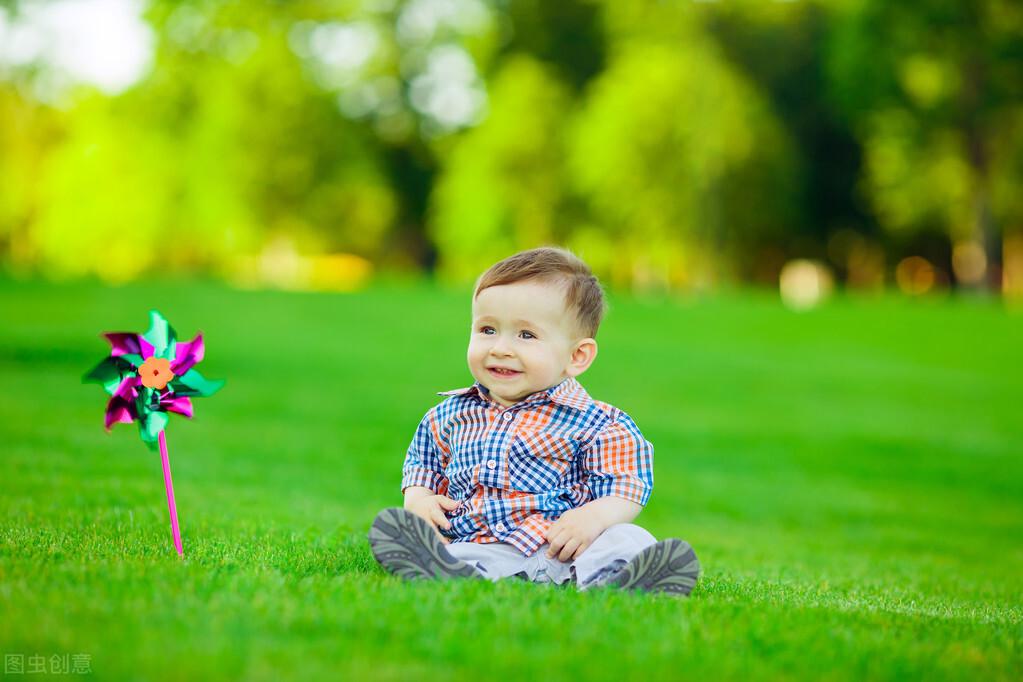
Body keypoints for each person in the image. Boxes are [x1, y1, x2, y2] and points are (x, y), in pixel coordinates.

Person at [368, 246, 700, 595]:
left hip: (570, 548)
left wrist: (593, 518)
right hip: (485, 544)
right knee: (456, 551)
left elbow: (627, 486)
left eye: (526, 335)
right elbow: (422, 465)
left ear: (576, 356)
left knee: (627, 538)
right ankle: (449, 571)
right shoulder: (449, 416)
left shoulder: (598, 423)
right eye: (487, 330)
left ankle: (619, 581)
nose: (500, 348)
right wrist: (419, 500)